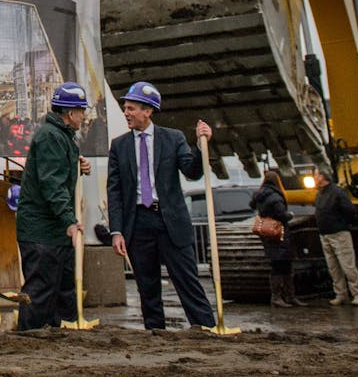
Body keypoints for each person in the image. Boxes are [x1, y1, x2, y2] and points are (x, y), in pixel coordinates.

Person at [106, 81, 216, 329]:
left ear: (148, 111)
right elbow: (114, 191)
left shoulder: (173, 138)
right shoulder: (119, 146)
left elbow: (192, 171)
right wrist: (116, 231)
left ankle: (205, 328)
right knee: (147, 286)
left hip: (170, 222)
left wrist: (201, 146)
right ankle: (156, 334)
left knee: (188, 280)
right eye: (125, 108)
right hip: (138, 223)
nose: (126, 113)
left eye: (131, 108)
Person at [14, 81, 94, 329]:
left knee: (61, 292)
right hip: (41, 232)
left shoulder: (62, 137)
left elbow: (56, 174)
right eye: (82, 111)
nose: (84, 116)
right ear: (70, 113)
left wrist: (77, 166)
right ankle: (29, 338)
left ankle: (58, 339)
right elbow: (52, 184)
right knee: (40, 292)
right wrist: (69, 220)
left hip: (53, 232)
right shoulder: (51, 137)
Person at [311, 167, 358, 306]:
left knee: (348, 266)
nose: (314, 178)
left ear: (322, 177)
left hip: (339, 234)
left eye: (316, 175)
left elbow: (349, 211)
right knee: (333, 268)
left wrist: (341, 224)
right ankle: (341, 294)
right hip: (325, 235)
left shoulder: (337, 192)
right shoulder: (320, 194)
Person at [251, 169, 304, 308]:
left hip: (267, 233)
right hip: (279, 232)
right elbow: (281, 214)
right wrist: (290, 215)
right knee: (284, 265)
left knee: (276, 265)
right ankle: (286, 296)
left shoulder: (259, 194)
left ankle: (279, 296)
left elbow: (252, 205)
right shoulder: (276, 197)